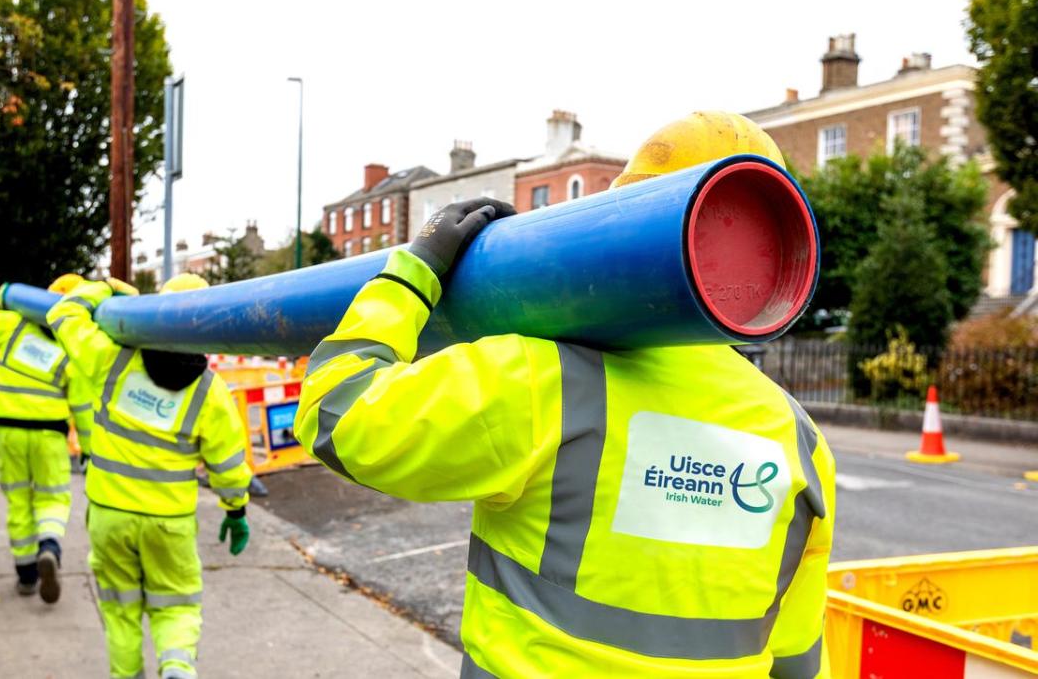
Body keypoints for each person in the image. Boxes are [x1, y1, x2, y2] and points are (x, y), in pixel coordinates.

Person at [296, 112, 836, 678]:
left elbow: (338, 411)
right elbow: (799, 657)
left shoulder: (538, 379)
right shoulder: (799, 441)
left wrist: (411, 275)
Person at [47, 272, 253, 679]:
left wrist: (105, 288)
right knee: (175, 604)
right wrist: (236, 509)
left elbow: (63, 314)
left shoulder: (113, 361)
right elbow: (228, 466)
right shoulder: (211, 393)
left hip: (109, 515)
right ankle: (176, 666)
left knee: (120, 610)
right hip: (169, 522)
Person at [0, 274, 87, 603]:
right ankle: (49, 546)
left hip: (9, 430)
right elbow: (83, 407)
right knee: (53, 497)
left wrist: (3, 300)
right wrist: (88, 449)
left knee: (19, 500)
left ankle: (27, 575)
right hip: (49, 435)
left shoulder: (14, 326)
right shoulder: (75, 346)